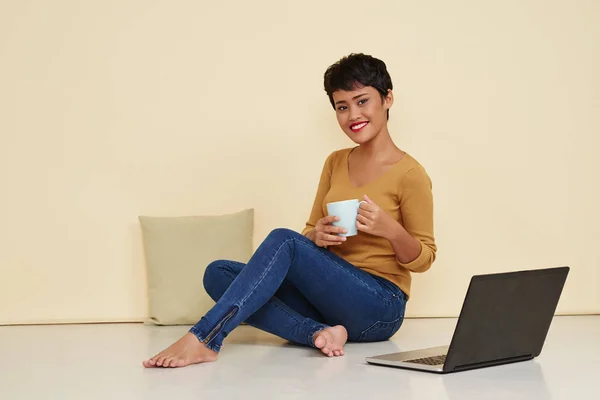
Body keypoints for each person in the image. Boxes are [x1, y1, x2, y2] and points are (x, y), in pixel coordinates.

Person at [143, 53, 437, 368]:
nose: (353, 114)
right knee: (218, 273)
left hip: (379, 307)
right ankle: (319, 333)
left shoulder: (410, 173)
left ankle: (205, 337)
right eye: (342, 106)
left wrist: (390, 230)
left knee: (283, 240)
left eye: (362, 101)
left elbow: (425, 259)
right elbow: (304, 235)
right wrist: (317, 236)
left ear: (387, 98)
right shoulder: (335, 162)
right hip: (326, 304)